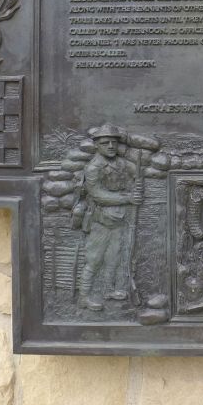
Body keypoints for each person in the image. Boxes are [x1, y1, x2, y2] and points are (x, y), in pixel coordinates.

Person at [71, 124, 141, 311]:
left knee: (113, 257)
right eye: (105, 143)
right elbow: (98, 195)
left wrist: (137, 183)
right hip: (100, 221)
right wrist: (128, 198)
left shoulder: (121, 163)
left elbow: (136, 172)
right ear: (97, 145)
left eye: (114, 142)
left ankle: (108, 290)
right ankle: (84, 297)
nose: (111, 146)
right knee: (94, 259)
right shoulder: (93, 168)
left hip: (118, 219)